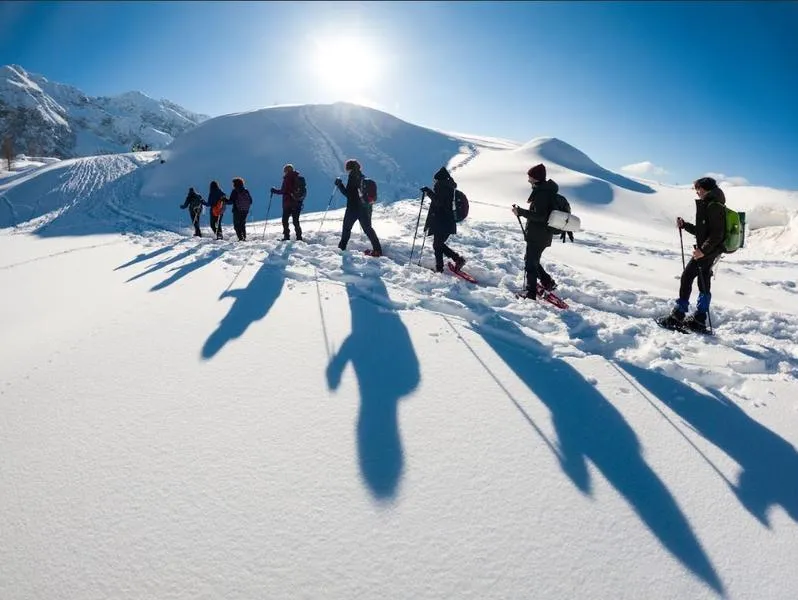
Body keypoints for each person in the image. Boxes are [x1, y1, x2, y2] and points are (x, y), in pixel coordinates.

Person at [662, 176, 726, 332]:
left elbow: (717, 234)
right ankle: (699, 319)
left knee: (687, 277)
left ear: (704, 189)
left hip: (706, 252)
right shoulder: (712, 203)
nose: (697, 192)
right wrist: (685, 226)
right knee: (703, 283)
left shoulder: (713, 206)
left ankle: (678, 315)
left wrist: (702, 250)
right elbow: (702, 231)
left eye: (698, 189)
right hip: (708, 251)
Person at [511, 163, 559, 298]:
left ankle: (530, 292)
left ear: (536, 178)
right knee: (532, 260)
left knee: (530, 264)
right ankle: (547, 282)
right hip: (541, 235)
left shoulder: (542, 194)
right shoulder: (545, 191)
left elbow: (540, 216)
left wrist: (520, 211)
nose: (528, 180)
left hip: (538, 235)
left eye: (530, 177)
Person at [420, 166, 466, 272]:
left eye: (435, 180)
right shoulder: (448, 187)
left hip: (443, 221)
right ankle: (441, 267)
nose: (434, 182)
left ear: (440, 179)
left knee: (437, 244)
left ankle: (456, 260)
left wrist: (429, 192)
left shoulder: (443, 187)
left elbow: (439, 203)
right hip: (445, 221)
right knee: (438, 245)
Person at [334, 159, 382, 256]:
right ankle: (378, 250)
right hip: (365, 208)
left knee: (346, 228)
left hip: (353, 208)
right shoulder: (363, 177)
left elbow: (349, 194)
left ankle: (341, 248)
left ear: (349, 168)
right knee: (368, 229)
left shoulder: (352, 177)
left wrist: (340, 185)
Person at [270, 164, 303, 241]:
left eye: (284, 171)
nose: (284, 173)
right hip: (297, 203)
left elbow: (283, 191)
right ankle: (299, 237)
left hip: (288, 203)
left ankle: (286, 236)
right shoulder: (298, 178)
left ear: (287, 171)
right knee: (296, 221)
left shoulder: (287, 178)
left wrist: (274, 190)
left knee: (285, 220)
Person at [229, 177, 253, 241]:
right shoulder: (246, 190)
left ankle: (241, 238)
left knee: (236, 225)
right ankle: (244, 237)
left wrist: (224, 200)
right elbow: (251, 201)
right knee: (242, 224)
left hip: (237, 210)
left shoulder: (235, 191)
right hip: (245, 210)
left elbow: (231, 201)